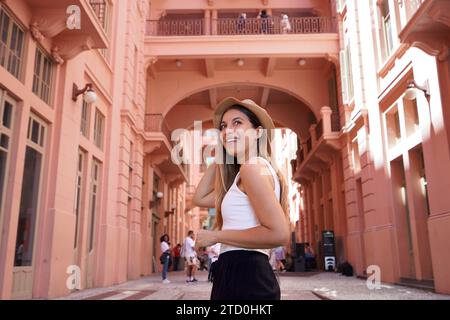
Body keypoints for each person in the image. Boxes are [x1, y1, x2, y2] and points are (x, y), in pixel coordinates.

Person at [194, 97, 290, 300]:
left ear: (258, 132)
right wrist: (221, 155)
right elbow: (200, 197)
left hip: (245, 274)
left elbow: (279, 234)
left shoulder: (252, 169)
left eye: (237, 123)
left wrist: (216, 236)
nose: (227, 130)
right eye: (223, 127)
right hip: (241, 273)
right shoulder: (251, 171)